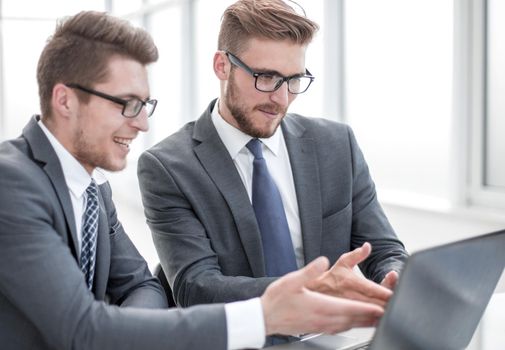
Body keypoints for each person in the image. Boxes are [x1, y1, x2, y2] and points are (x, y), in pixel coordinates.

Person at [0, 10, 386, 350]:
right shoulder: (11, 183)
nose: (142, 123)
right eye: (127, 105)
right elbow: (86, 329)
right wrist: (265, 315)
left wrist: (126, 332)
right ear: (65, 100)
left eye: (145, 105)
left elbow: (142, 286)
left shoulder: (91, 187)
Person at [138, 0, 408, 313]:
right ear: (222, 66)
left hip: (330, 337)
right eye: (265, 77)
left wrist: (394, 278)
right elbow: (196, 287)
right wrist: (311, 289)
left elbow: (385, 248)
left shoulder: (336, 145)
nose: (281, 99)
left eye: (294, 80)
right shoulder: (167, 167)